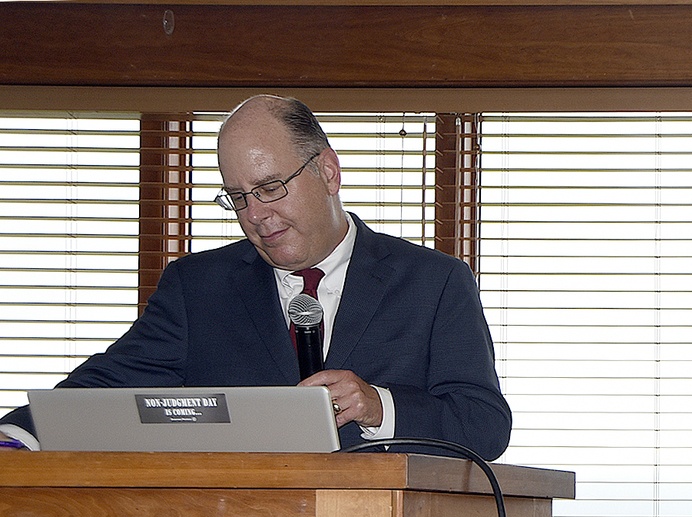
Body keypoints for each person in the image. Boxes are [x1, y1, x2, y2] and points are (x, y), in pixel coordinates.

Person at [0, 95, 511, 459]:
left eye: (270, 187)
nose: (257, 216)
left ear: (328, 173)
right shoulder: (196, 288)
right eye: (238, 198)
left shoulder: (435, 282)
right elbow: (102, 390)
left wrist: (379, 406)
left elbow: (484, 424)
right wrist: (14, 437)